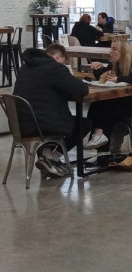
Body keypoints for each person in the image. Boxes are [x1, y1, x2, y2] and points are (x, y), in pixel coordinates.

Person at [12, 44, 91, 178]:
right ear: (58, 57)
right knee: (85, 123)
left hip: (21, 124)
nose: (63, 65)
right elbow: (82, 89)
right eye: (64, 61)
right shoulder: (54, 68)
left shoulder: (26, 67)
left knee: (56, 117)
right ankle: (52, 158)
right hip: (41, 125)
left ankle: (48, 157)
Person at [88, 39, 132, 153]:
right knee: (97, 103)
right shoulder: (115, 64)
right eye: (111, 48)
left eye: (114, 49)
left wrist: (119, 79)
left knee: (105, 113)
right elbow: (105, 76)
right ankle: (97, 137)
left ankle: (101, 149)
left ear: (123, 51)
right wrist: (99, 68)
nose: (110, 52)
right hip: (122, 99)